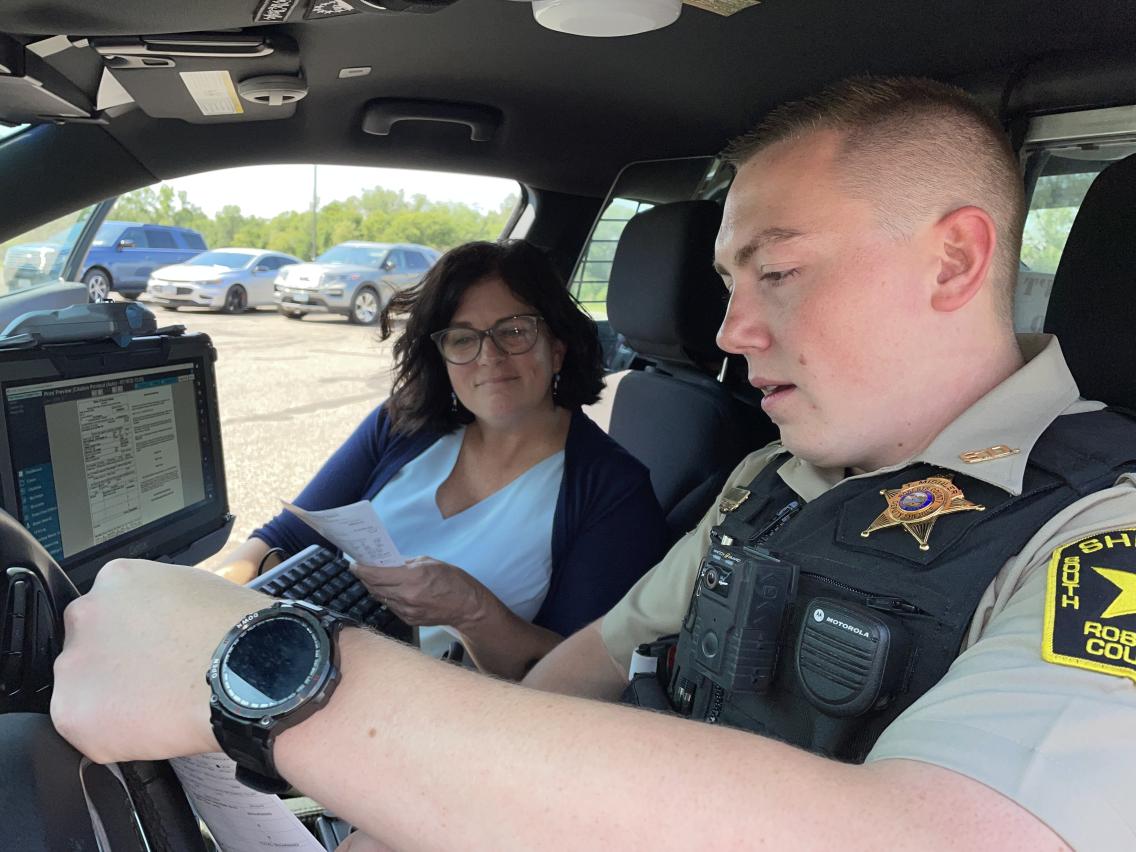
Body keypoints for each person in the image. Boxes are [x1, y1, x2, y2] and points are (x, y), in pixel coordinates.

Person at [51, 76, 1136, 850]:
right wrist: (410, 808)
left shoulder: (1097, 535)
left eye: (781, 273)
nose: (731, 333)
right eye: (727, 284)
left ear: (953, 259)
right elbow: (591, 659)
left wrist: (298, 694)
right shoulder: (773, 485)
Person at [216, 239, 668, 678]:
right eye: (462, 338)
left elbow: (583, 680)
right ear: (443, 356)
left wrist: (472, 610)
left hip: (444, 722)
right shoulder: (402, 425)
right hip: (305, 668)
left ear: (558, 346)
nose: (489, 356)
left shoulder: (613, 491)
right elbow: (287, 536)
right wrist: (211, 595)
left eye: (513, 331)